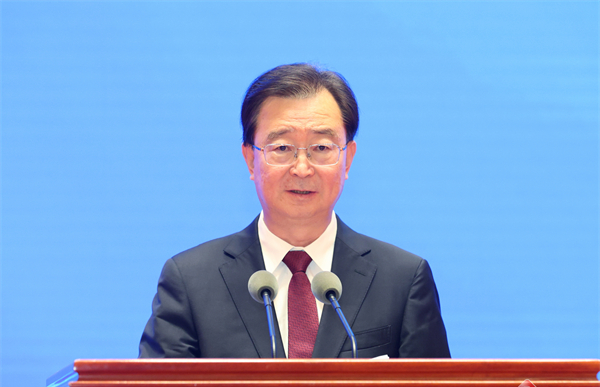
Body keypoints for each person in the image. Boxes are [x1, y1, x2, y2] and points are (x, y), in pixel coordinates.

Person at [139, 63, 450, 358]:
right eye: (282, 148)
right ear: (250, 159)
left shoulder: (402, 280)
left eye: (321, 148)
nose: (302, 168)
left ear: (348, 159)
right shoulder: (191, 281)